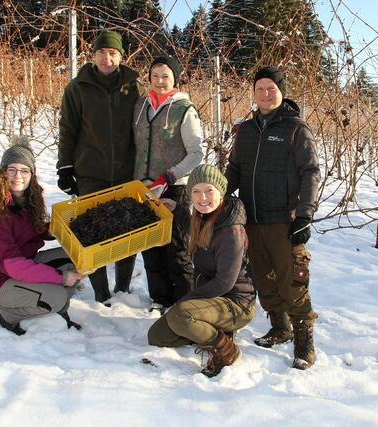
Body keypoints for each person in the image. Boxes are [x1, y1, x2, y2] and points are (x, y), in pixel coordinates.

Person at [225, 66, 321, 370]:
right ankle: (280, 328)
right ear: (254, 93)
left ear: (282, 91)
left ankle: (305, 343)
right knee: (263, 278)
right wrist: (218, 197)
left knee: (292, 280)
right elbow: (234, 168)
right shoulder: (246, 129)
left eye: (272, 88)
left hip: (284, 219)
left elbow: (310, 172)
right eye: (260, 89)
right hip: (252, 218)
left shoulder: (295, 128)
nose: (266, 94)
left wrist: (304, 213)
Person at [56, 30, 145, 304]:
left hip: (126, 172)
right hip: (90, 171)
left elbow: (143, 128)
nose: (108, 58)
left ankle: (122, 288)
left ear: (121, 56)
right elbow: (67, 128)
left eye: (113, 53)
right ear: (93, 54)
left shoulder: (134, 86)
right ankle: (101, 293)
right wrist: (65, 167)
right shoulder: (77, 88)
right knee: (91, 231)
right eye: (102, 52)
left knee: (127, 229)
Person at [147, 164, 256, 377]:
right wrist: (177, 210)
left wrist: (187, 301)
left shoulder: (231, 231)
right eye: (195, 191)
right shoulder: (203, 217)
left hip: (236, 303)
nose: (202, 197)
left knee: (181, 314)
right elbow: (201, 236)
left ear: (220, 191)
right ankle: (209, 327)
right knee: (157, 336)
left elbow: (224, 283)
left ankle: (226, 350)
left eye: (209, 191)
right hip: (211, 299)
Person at [0, 137, 84, 335]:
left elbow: (34, 229)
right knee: (58, 295)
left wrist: (61, 228)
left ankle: (55, 310)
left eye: (24, 170)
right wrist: (60, 277)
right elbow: (12, 264)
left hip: (24, 265)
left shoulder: (25, 199)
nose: (18, 176)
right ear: (2, 173)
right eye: (12, 170)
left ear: (31, 174)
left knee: (75, 257)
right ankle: (6, 315)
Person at [133, 56, 203, 313]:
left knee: (176, 249)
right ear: (149, 78)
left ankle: (184, 302)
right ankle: (159, 298)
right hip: (144, 188)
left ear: (174, 79)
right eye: (155, 76)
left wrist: (172, 175)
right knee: (150, 247)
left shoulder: (185, 110)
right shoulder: (141, 106)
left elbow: (196, 152)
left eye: (166, 76)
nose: (160, 81)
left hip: (174, 186)